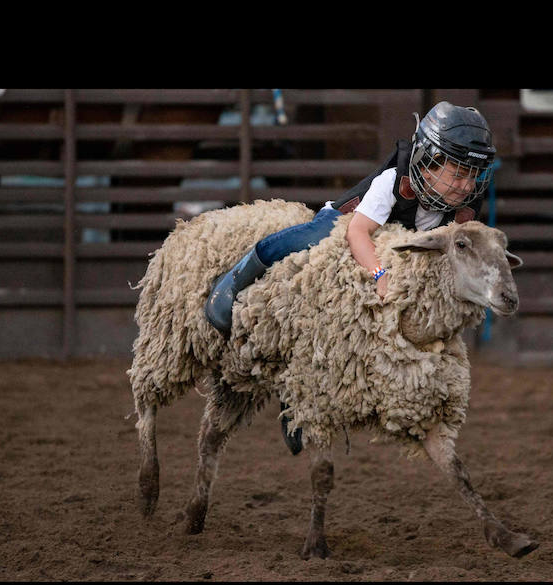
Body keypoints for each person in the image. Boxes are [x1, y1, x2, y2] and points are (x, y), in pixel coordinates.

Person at [204, 101, 498, 454]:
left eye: (473, 175)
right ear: (429, 159)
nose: (465, 184)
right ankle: (234, 280)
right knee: (305, 242)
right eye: (457, 171)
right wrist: (378, 274)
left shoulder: (463, 210)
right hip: (348, 228)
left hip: (393, 251)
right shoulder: (394, 181)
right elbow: (357, 233)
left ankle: (296, 399)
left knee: (346, 336)